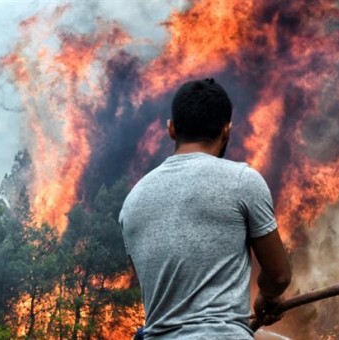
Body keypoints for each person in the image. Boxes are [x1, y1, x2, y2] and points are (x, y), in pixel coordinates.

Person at [119, 78, 291, 339]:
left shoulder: (132, 202)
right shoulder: (242, 181)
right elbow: (279, 277)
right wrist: (266, 296)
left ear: (172, 129)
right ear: (226, 130)